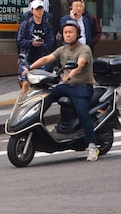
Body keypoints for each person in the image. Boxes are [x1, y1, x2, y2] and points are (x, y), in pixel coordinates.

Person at [23, 20, 100, 162]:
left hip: (82, 88)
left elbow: (81, 64)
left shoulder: (84, 49)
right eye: (65, 32)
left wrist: (70, 75)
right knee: (46, 96)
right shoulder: (62, 50)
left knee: (83, 113)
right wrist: (29, 68)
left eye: (71, 32)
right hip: (67, 86)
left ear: (77, 34)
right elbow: (47, 58)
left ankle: (92, 146)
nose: (68, 35)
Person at [16, 0, 55, 92]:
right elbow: (19, 40)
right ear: (32, 10)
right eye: (37, 9)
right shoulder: (26, 24)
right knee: (25, 84)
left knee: (38, 86)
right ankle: (21, 104)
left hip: (41, 59)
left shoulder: (47, 25)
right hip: (27, 58)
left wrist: (42, 44)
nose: (39, 11)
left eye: (41, 9)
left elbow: (51, 41)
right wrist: (31, 43)